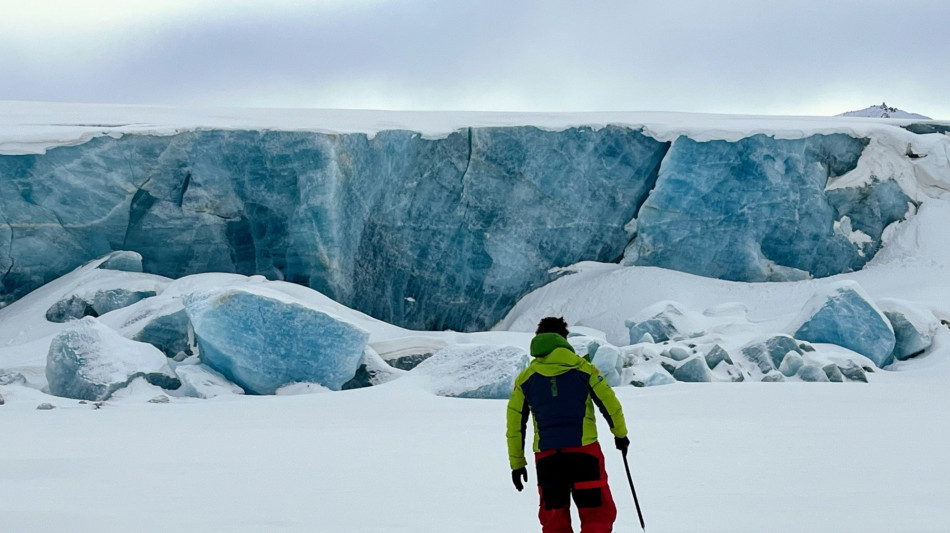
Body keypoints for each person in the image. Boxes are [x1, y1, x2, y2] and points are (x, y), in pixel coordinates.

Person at [506, 316, 630, 533]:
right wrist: (620, 435)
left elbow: (515, 425)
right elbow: (610, 405)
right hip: (585, 453)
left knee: (554, 520)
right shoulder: (585, 369)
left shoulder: (525, 379)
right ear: (563, 339)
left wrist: (517, 463)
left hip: (547, 458)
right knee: (597, 515)